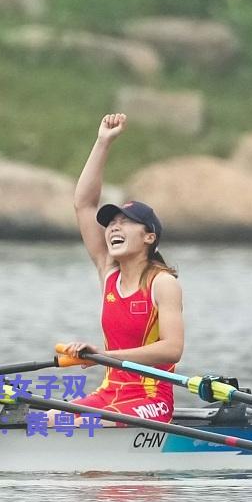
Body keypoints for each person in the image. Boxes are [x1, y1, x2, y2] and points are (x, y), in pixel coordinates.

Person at [61, 112, 184, 422]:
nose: (114, 228)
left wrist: (105, 357)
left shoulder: (162, 283)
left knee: (83, 424)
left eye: (126, 223)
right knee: (50, 420)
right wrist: (103, 142)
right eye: (111, 223)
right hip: (110, 392)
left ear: (149, 237)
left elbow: (172, 349)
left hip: (151, 399)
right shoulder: (109, 273)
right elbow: (84, 205)